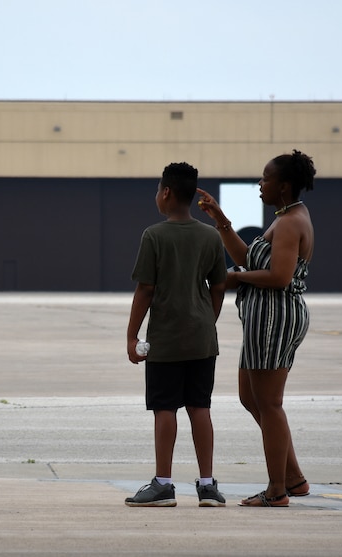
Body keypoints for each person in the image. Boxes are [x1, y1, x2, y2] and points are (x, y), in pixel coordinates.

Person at [196, 149, 316, 507]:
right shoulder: (286, 217)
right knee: (252, 398)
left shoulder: (292, 222)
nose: (260, 185)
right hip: (263, 317)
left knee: (269, 403)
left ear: (284, 186)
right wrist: (222, 221)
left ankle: (277, 490)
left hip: (275, 317)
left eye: (265, 179)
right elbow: (249, 258)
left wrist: (230, 279)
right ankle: (293, 478)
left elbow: (279, 277)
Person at [125, 162, 227, 507]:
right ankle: (208, 486)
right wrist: (206, 321)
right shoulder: (211, 236)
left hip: (166, 339)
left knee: (164, 408)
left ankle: (164, 485)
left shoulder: (153, 235)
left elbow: (146, 290)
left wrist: (130, 336)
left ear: (166, 193)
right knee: (200, 407)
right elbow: (219, 288)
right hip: (202, 337)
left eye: (158, 190)